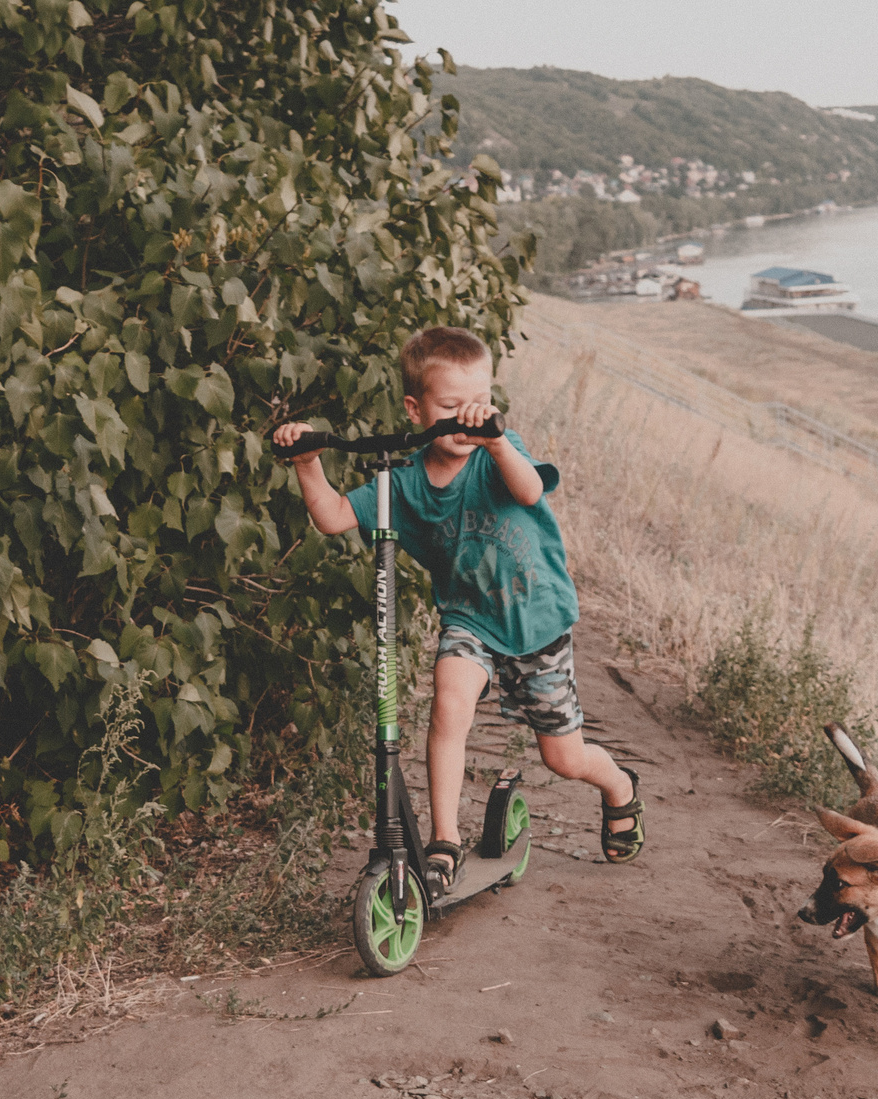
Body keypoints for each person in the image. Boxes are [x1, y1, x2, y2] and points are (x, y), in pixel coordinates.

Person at [272, 326, 643, 893]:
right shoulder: (402, 484)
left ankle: (618, 787)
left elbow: (528, 492)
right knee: (448, 704)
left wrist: (496, 441)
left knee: (564, 759)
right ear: (415, 409)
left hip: (537, 623)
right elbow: (333, 517)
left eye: (477, 405)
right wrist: (307, 463)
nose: (465, 419)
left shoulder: (498, 454)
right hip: (470, 622)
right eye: (450, 408)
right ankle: (445, 841)